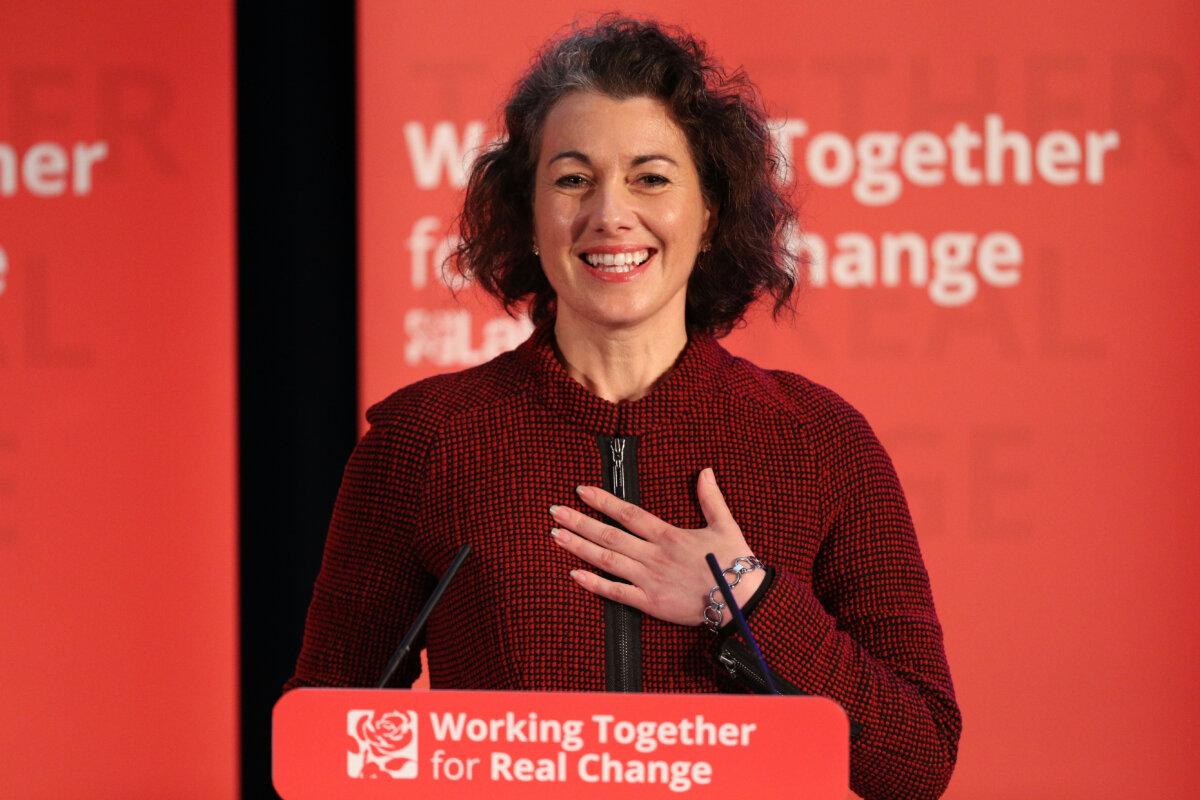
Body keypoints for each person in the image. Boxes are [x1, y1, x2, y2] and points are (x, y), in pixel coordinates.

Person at [285, 16, 960, 799]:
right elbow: (321, 751)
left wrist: (739, 599)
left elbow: (917, 760)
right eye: (573, 179)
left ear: (709, 215)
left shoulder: (819, 440)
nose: (610, 214)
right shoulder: (423, 441)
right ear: (529, 218)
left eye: (651, 177)